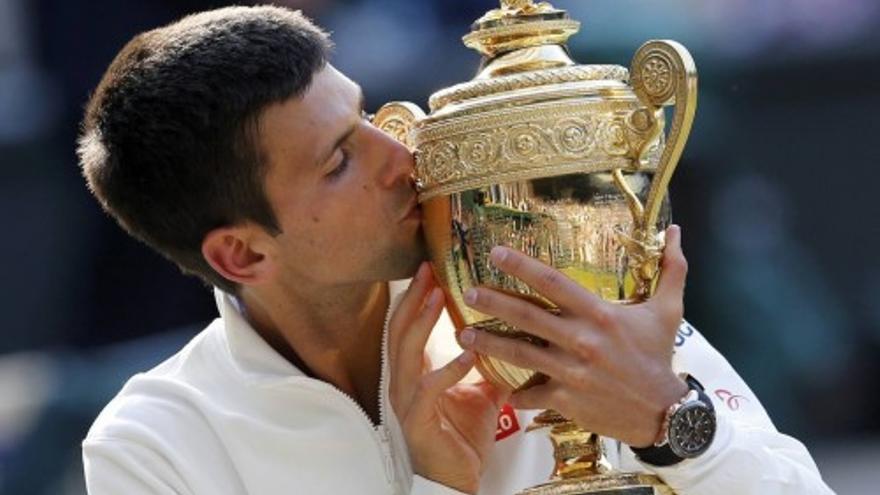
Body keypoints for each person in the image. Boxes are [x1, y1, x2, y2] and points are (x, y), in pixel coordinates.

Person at [77, 5, 833, 494]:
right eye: (339, 161)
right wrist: (441, 485)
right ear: (241, 255)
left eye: (366, 114)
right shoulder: (155, 445)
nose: (401, 155)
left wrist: (671, 421)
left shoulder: (550, 289)